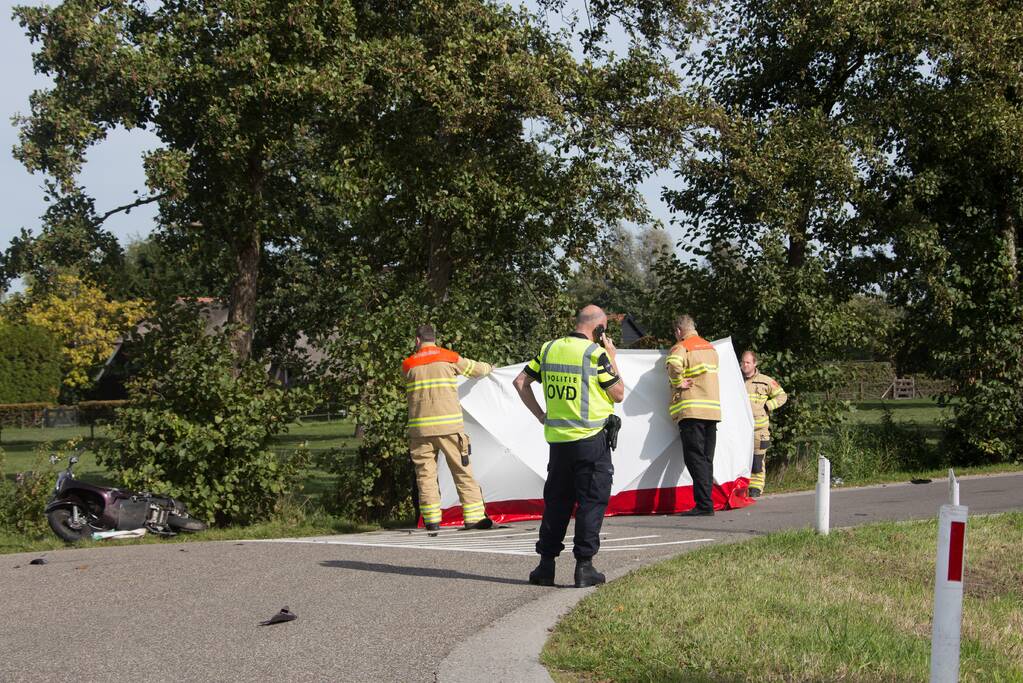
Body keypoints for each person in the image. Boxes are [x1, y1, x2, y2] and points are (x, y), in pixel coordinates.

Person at [512, 304, 624, 588]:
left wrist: (540, 414)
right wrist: (612, 356)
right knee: (591, 502)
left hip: (559, 443)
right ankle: (584, 567)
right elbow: (619, 393)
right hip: (591, 441)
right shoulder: (596, 354)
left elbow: (520, 381)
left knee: (557, 503)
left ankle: (545, 567)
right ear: (599, 329)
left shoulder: (549, 349)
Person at [402, 324, 494, 531]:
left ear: (417, 340)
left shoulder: (408, 364)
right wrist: (490, 368)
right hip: (449, 428)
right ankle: (474, 517)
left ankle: (432, 521)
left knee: (425, 476)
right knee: (462, 472)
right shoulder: (448, 357)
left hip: (420, 432)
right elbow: (476, 370)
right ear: (434, 338)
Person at [665, 314, 720, 516]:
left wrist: (678, 382)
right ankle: (707, 503)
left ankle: (704, 505)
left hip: (692, 410)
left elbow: (673, 364)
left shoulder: (682, 346)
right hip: (712, 411)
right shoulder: (710, 348)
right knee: (705, 459)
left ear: (679, 331)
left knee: (695, 458)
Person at [740, 350, 787, 497]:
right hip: (740, 429)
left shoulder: (765, 381)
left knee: (757, 460)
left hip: (759, 429)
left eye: (748, 362)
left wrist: (768, 406)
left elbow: (782, 396)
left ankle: (756, 488)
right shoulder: (735, 379)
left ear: (755, 363)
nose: (745, 365)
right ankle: (740, 488)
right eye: (743, 362)